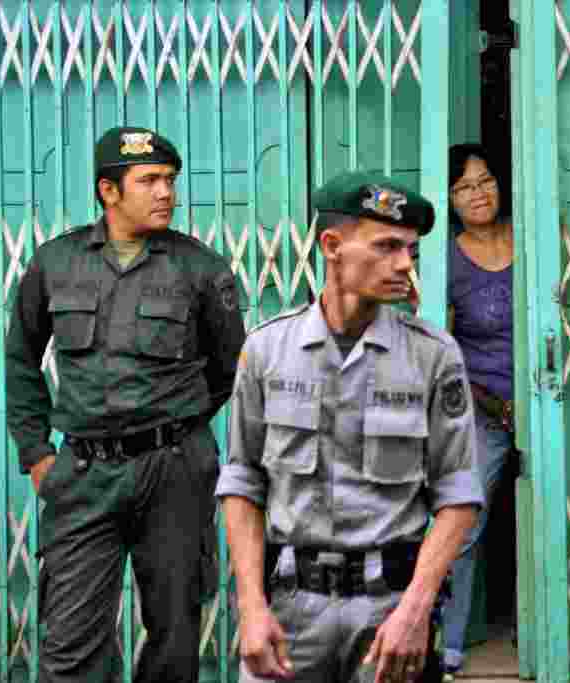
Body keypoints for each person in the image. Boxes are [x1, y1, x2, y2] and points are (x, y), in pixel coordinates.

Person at [216, 171, 483, 683]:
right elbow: (243, 482)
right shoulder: (267, 351)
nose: (405, 264)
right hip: (291, 612)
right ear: (332, 245)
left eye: (410, 250)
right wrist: (251, 608)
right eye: (386, 247)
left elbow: (458, 492)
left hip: (390, 616)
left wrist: (416, 611)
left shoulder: (432, 355)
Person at [5, 126, 247, 683]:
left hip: (174, 472)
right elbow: (20, 357)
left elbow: (230, 367)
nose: (166, 192)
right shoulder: (56, 262)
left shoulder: (201, 269)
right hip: (84, 472)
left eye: (169, 180)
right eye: (149, 181)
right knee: (71, 638)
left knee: (175, 633)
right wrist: (38, 452)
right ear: (108, 191)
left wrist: (176, 424)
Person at [441, 144, 516, 678]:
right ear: (450, 199)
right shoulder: (447, 259)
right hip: (484, 409)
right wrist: (493, 402)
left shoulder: (533, 235)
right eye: (465, 186)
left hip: (549, 399)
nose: (479, 193)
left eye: (486, 180)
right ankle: (449, 641)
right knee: (462, 525)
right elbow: (440, 349)